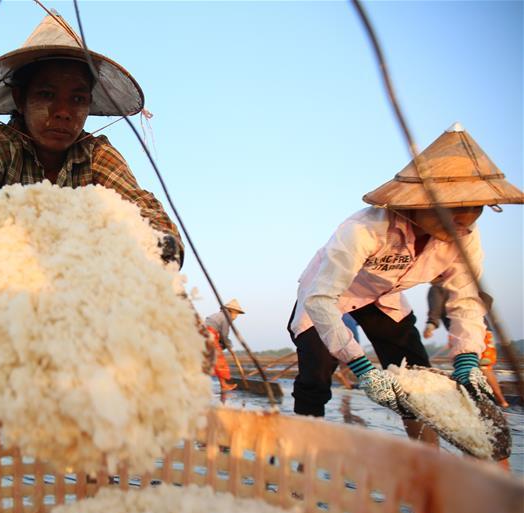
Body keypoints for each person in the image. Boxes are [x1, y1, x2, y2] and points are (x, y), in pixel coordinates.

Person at [0, 13, 184, 403]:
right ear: (20, 99)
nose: (63, 111)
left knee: (102, 398)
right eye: (46, 95)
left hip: (78, 317)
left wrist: (160, 245)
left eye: (78, 99)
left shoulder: (96, 155)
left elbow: (142, 208)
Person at [287, 123, 522, 447]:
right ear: (419, 203)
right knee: (315, 377)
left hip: (384, 298)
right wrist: (361, 366)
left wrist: (467, 356)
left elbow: (466, 299)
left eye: (474, 209)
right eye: (453, 212)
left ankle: (426, 459)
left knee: (416, 374)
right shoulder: (364, 229)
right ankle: (302, 454)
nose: (464, 221)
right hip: (328, 295)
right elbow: (322, 298)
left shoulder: (463, 235)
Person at [424, 284, 509, 408]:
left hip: (465, 332)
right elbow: (488, 299)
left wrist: (431, 324)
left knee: (472, 368)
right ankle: (501, 401)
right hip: (483, 330)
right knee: (484, 367)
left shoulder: (438, 288)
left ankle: (486, 401)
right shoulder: (464, 287)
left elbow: (435, 309)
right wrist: (477, 311)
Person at [204, 299, 245, 398]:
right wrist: (229, 346)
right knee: (220, 360)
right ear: (232, 311)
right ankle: (224, 385)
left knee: (212, 360)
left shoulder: (220, 315)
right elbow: (224, 335)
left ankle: (222, 384)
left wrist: (225, 345)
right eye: (236, 313)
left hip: (205, 334)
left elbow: (221, 337)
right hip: (209, 334)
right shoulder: (226, 317)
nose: (236, 316)